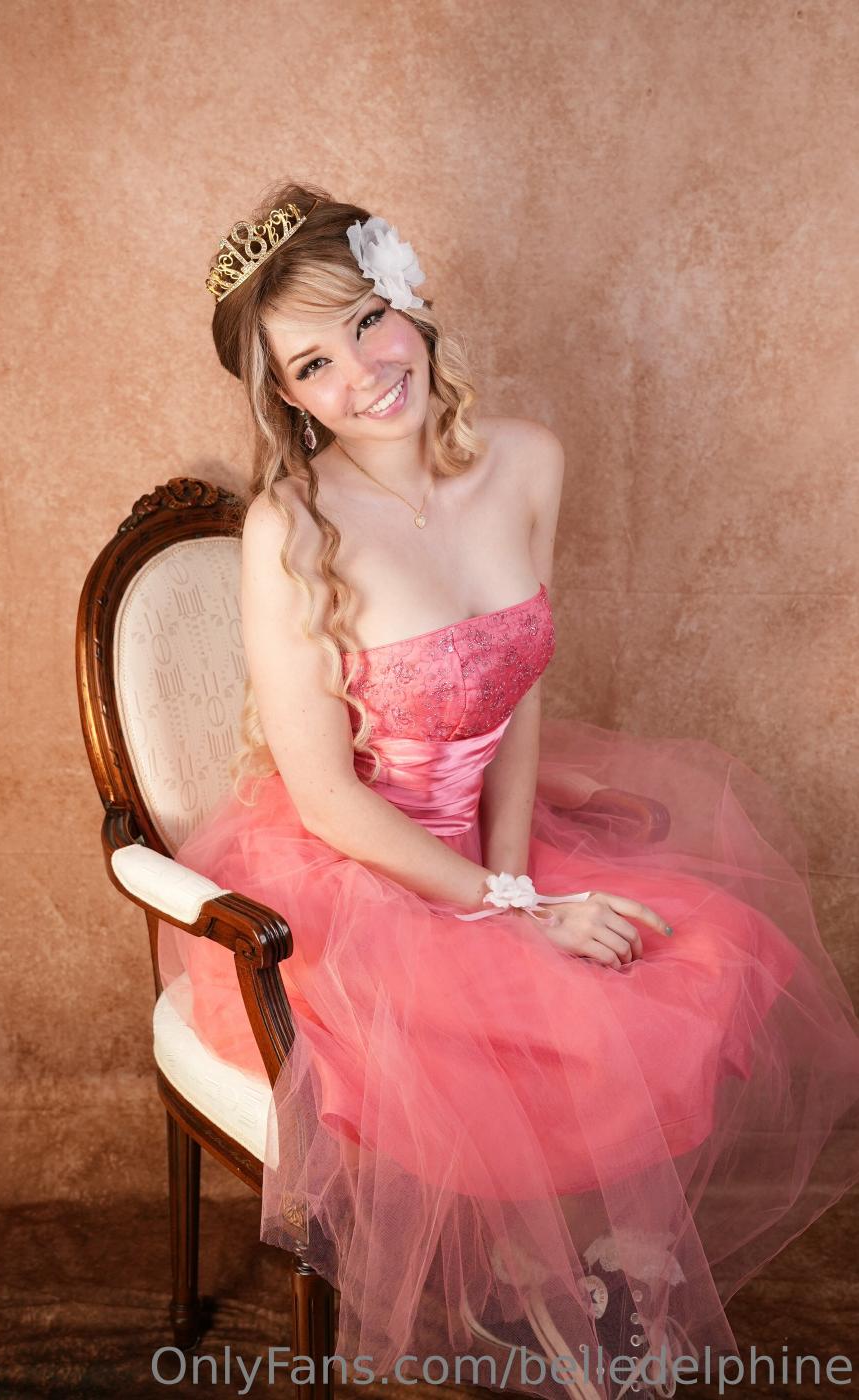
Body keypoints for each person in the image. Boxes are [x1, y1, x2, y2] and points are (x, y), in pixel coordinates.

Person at [158, 182, 859, 1400]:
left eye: (368, 320)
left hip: (496, 829)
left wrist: (523, 862)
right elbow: (327, 803)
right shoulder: (290, 529)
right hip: (361, 873)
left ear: (409, 299)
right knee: (555, 1025)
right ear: (287, 398)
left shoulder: (527, 460)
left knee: (691, 952)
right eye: (314, 365)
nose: (363, 373)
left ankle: (562, 1284)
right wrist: (508, 909)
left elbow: (520, 682)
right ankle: (532, 1299)